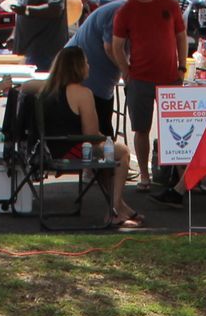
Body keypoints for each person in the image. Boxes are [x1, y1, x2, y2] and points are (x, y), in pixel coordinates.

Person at [34, 46, 141, 228]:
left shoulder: (46, 90)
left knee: (108, 154)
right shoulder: (83, 94)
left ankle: (120, 206)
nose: (89, 66)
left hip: (50, 149)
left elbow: (27, 86)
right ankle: (114, 210)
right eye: (86, 62)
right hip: (73, 149)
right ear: (77, 67)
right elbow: (92, 134)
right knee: (121, 152)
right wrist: (110, 142)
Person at [113, 0, 187, 197]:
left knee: (174, 129)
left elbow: (181, 37)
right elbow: (116, 45)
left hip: (170, 78)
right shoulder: (126, 10)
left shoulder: (169, 4)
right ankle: (144, 174)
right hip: (140, 78)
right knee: (141, 128)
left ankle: (179, 178)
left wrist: (182, 66)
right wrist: (125, 70)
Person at [65, 0, 125, 137]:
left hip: (101, 80)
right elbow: (110, 47)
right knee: (97, 130)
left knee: (101, 125)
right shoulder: (119, 11)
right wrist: (127, 70)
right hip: (86, 76)